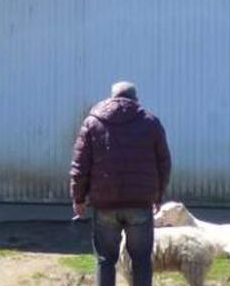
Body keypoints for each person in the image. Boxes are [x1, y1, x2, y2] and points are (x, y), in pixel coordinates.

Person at [70, 81, 172, 286]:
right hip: (140, 204)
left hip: (105, 203)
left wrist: (78, 198)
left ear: (111, 97)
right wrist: (159, 195)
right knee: (142, 261)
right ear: (136, 99)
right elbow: (164, 163)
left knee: (105, 260)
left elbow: (79, 166)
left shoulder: (92, 122)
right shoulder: (150, 122)